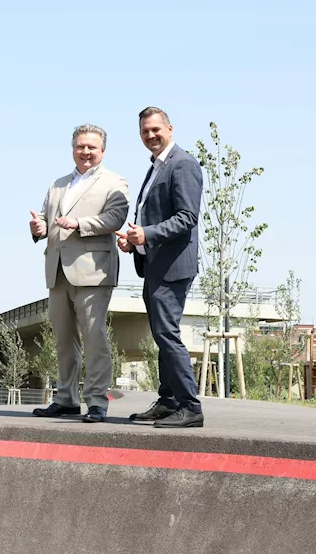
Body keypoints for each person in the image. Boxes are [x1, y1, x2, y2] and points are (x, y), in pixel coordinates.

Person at [28, 125, 129, 422]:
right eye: (80, 146)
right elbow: (46, 219)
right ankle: (66, 398)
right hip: (57, 270)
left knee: (94, 337)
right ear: (72, 148)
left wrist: (79, 223)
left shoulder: (114, 182)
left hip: (93, 271)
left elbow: (116, 216)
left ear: (103, 151)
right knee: (63, 339)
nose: (85, 152)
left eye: (91, 147)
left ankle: (97, 401)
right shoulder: (57, 184)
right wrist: (39, 229)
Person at [116, 107, 205, 428]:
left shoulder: (183, 164)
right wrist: (135, 241)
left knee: (167, 335)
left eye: (155, 129)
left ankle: (190, 406)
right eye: (144, 131)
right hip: (155, 263)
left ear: (170, 128)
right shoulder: (157, 166)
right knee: (162, 335)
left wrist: (148, 234)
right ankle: (168, 401)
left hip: (173, 266)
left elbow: (187, 217)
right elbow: (153, 216)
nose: (150, 135)